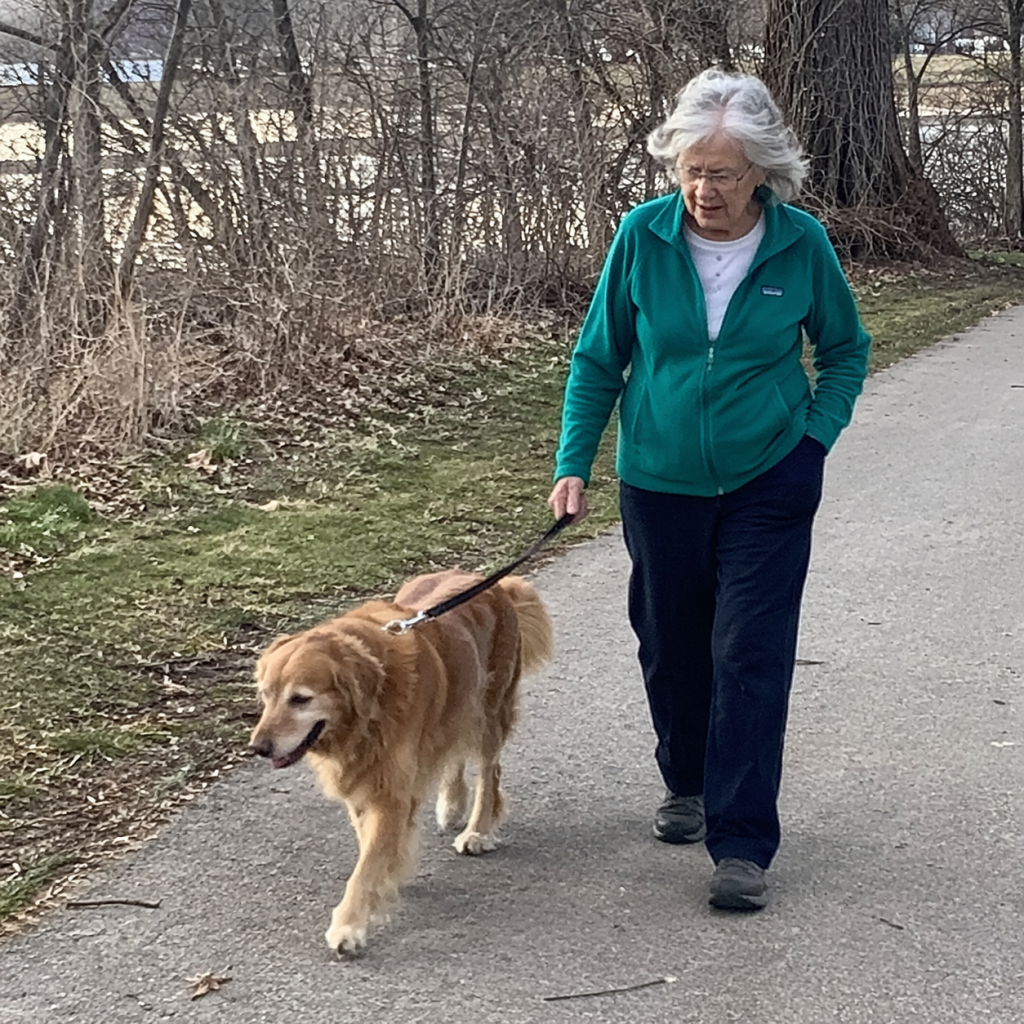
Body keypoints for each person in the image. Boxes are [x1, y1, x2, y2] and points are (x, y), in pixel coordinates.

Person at [547, 68, 871, 911]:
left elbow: (844, 352)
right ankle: (685, 782)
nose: (703, 190)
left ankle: (742, 840)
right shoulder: (641, 237)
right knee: (671, 642)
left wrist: (811, 444)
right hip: (657, 480)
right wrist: (572, 463)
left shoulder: (800, 245)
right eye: (691, 169)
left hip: (770, 475)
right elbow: (598, 358)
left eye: (722, 173)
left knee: (749, 652)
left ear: (761, 172)